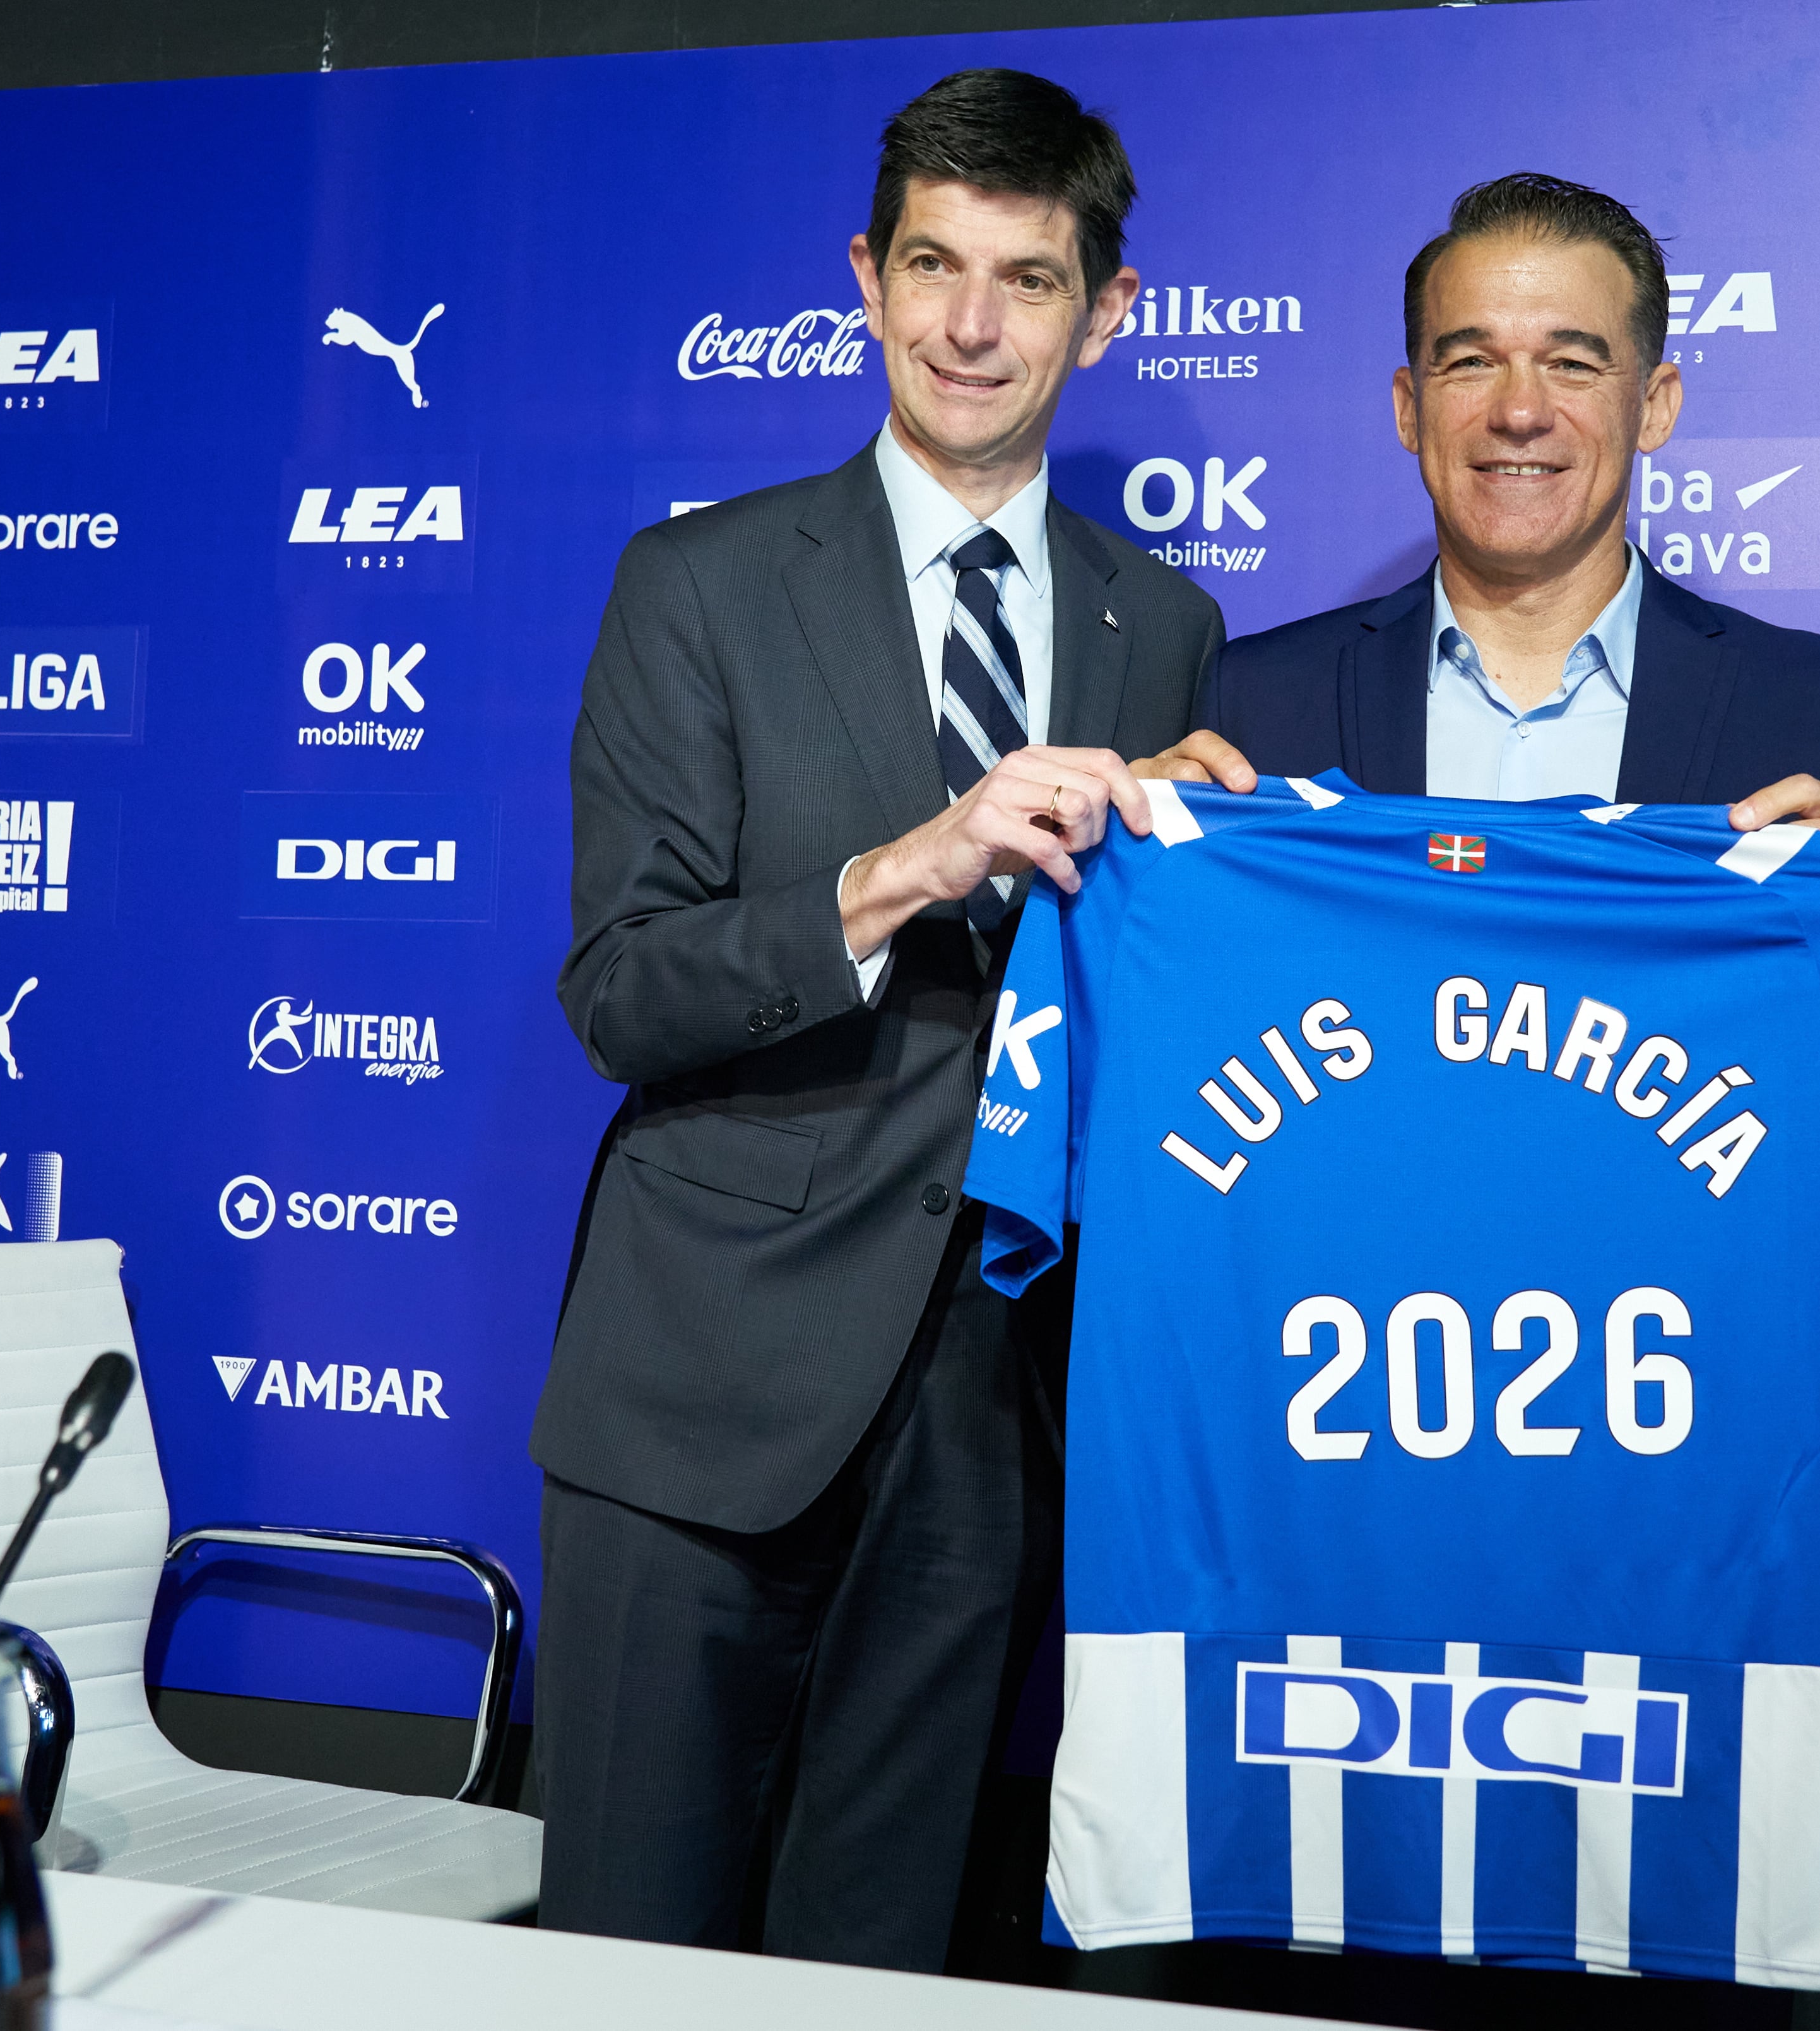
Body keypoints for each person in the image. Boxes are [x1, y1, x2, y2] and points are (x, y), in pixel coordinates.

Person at [533, 68, 1210, 1969]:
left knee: (875, 1957)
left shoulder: (1164, 624)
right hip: (701, 1397)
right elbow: (621, 987)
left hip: (987, 1415)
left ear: (1108, 308)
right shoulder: (700, 583)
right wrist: (902, 865)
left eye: (1026, 277)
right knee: (628, 1957)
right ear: (864, 272)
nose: (971, 324)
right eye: (930, 265)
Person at [1142, 173, 1820, 845]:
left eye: (1572, 364)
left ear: (1654, 407)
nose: (1518, 412)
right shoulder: (1256, 700)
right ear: (1410, 410)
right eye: (1471, 362)